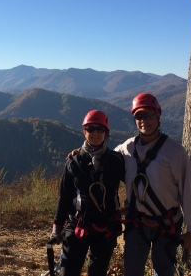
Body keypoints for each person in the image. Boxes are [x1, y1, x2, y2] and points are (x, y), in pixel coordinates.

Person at [116, 92, 191, 276]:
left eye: (149, 115)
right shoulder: (127, 148)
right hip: (136, 223)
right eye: (139, 116)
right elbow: (106, 160)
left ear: (158, 115)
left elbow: (188, 190)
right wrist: (82, 152)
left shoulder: (175, 152)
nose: (144, 120)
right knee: (132, 271)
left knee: (163, 271)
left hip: (167, 223)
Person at [49, 109, 125, 276]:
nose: (95, 133)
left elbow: (136, 183)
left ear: (106, 132)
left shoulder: (116, 160)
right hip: (78, 224)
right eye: (90, 128)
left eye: (100, 129)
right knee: (68, 272)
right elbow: (64, 196)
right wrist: (57, 227)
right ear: (84, 131)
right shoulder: (74, 162)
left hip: (107, 226)